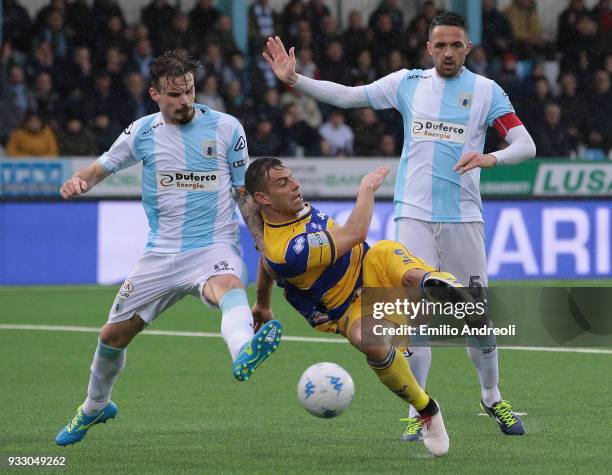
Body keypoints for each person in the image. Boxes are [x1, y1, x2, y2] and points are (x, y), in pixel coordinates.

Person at [262, 11, 535, 440]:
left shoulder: (486, 92)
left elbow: (525, 144)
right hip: (413, 214)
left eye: (455, 45)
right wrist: (297, 80)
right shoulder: (408, 83)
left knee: (476, 315)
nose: (447, 52)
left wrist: (490, 157)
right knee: (415, 317)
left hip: (464, 217)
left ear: (468, 48)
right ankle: (420, 408)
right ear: (429, 48)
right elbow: (350, 96)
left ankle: (491, 395)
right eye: (440, 45)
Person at [54, 50, 281, 446]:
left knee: (228, 286)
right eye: (175, 94)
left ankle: (245, 351)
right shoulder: (141, 132)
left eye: (190, 90)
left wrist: (263, 244)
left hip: (214, 244)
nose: (185, 101)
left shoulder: (227, 128)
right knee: (111, 337)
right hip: (160, 255)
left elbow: (245, 192)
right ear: (155, 94)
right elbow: (97, 169)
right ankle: (95, 407)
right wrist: (79, 183)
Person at [245, 157, 458, 457]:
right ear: (263, 198)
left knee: (392, 258)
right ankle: (428, 410)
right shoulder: (288, 251)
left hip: (371, 267)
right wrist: (367, 188)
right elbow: (355, 232)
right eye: (283, 183)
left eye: (291, 177)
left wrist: (262, 303)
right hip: (345, 309)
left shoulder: (281, 213)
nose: (295, 185)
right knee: (366, 341)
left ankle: (442, 284)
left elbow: (265, 261)